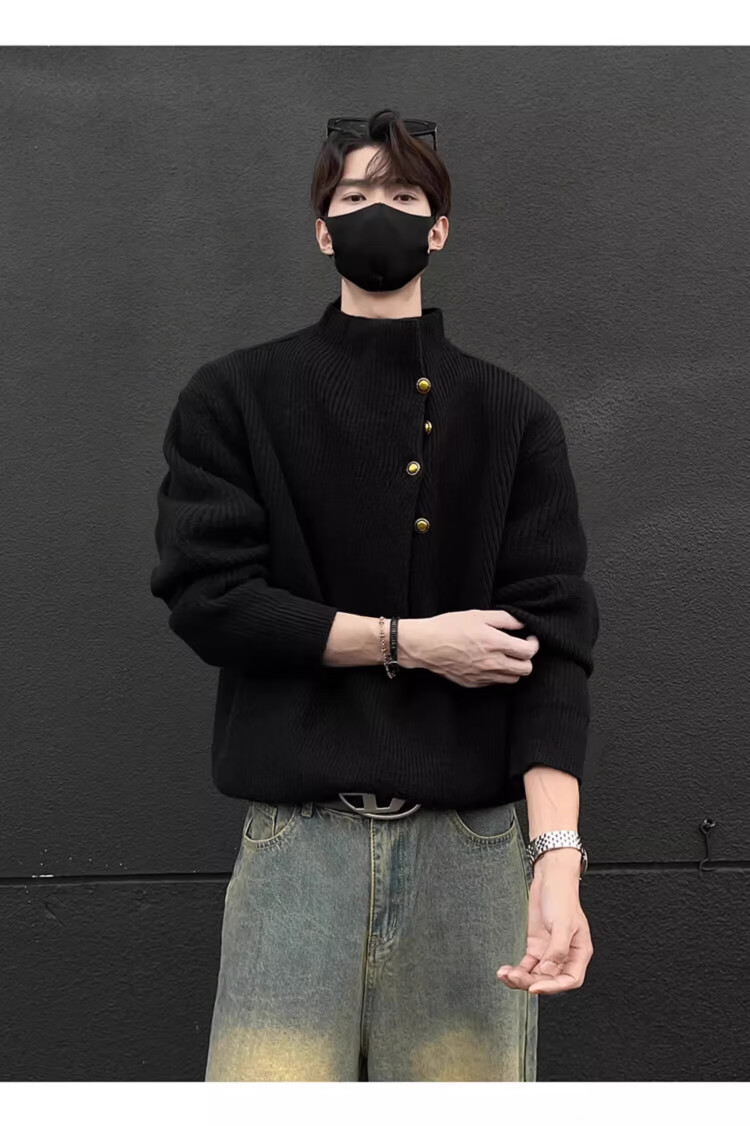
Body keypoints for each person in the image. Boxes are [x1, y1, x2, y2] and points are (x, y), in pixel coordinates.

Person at [149, 107, 599, 1082]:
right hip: (296, 845)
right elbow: (208, 597)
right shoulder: (234, 398)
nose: (379, 213)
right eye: (355, 196)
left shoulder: (511, 415)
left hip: (472, 851)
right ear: (323, 230)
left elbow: (554, 645)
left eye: (403, 195)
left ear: (439, 229)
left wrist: (556, 859)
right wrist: (407, 640)